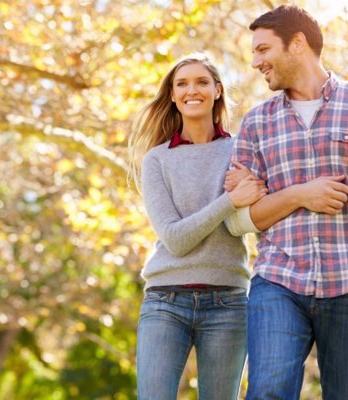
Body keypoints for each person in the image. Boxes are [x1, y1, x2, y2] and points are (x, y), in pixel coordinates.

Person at [226, 5, 348, 400]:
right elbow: (239, 221)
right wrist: (298, 194)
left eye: (262, 50)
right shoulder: (257, 123)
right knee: (269, 391)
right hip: (278, 280)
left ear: (298, 44)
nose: (255, 61)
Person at [127, 52, 268, 400]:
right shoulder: (157, 159)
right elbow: (175, 239)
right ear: (173, 95)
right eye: (182, 84)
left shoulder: (241, 151)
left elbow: (250, 220)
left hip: (228, 302)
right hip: (165, 301)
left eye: (202, 82)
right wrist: (228, 201)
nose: (193, 90)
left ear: (218, 90)